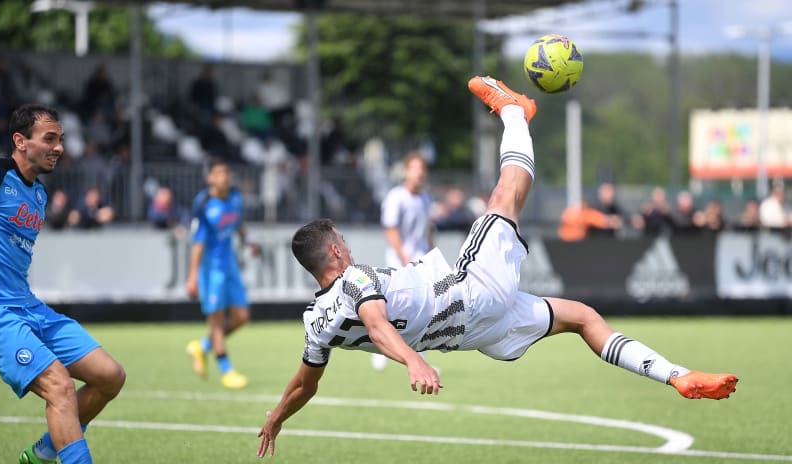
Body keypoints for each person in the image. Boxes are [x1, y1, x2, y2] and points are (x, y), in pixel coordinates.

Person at [257, 76, 738, 458]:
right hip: (470, 291)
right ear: (336, 253)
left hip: (477, 333)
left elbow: (306, 382)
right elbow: (378, 324)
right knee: (505, 195)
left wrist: (278, 415)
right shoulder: (356, 277)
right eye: (341, 240)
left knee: (582, 317)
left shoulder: (314, 323)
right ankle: (514, 109)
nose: (346, 245)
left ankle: (678, 376)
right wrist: (413, 360)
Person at [0, 104, 125, 464]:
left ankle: (41, 454)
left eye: (61, 140)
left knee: (110, 376)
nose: (58, 148)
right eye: (49, 139)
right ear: (20, 141)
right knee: (60, 387)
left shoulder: (37, 194)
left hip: (27, 306)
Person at [185, 158, 258, 389]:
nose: (224, 177)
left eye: (227, 173)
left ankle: (203, 347)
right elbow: (198, 243)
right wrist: (193, 275)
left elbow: (237, 223)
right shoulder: (204, 203)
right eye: (218, 174)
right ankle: (226, 370)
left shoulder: (235, 197)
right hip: (210, 269)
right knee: (216, 321)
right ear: (209, 178)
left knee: (241, 317)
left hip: (230, 265)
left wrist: (248, 242)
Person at [371, 151, 434, 371]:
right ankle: (381, 351)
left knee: (423, 307)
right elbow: (391, 228)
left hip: (420, 260)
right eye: (415, 168)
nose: (419, 173)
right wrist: (402, 255)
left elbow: (428, 229)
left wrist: (431, 253)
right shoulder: (396, 196)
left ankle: (421, 356)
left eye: (422, 169)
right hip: (399, 260)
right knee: (392, 307)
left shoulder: (426, 198)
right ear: (407, 171)